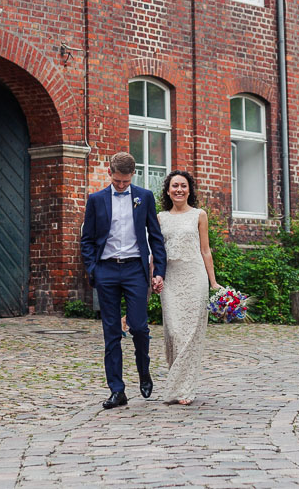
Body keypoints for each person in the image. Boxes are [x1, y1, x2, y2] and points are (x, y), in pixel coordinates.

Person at [80, 152, 168, 409]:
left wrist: (158, 270)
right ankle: (117, 390)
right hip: (106, 270)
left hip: (134, 270)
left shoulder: (145, 197)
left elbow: (155, 236)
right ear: (110, 173)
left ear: (133, 176)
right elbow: (87, 239)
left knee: (139, 327)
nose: (121, 185)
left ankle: (144, 371)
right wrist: (93, 268)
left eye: (125, 182)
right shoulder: (96, 200)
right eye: (117, 181)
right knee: (111, 333)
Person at [156, 170, 219, 405]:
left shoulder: (199, 215)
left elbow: (205, 250)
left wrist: (213, 282)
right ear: (168, 190)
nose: (179, 190)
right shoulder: (161, 217)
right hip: (171, 279)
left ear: (189, 190)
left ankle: (184, 389)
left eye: (183, 185)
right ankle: (177, 382)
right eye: (174, 186)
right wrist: (155, 276)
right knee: (173, 332)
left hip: (195, 277)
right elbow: (157, 251)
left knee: (191, 335)